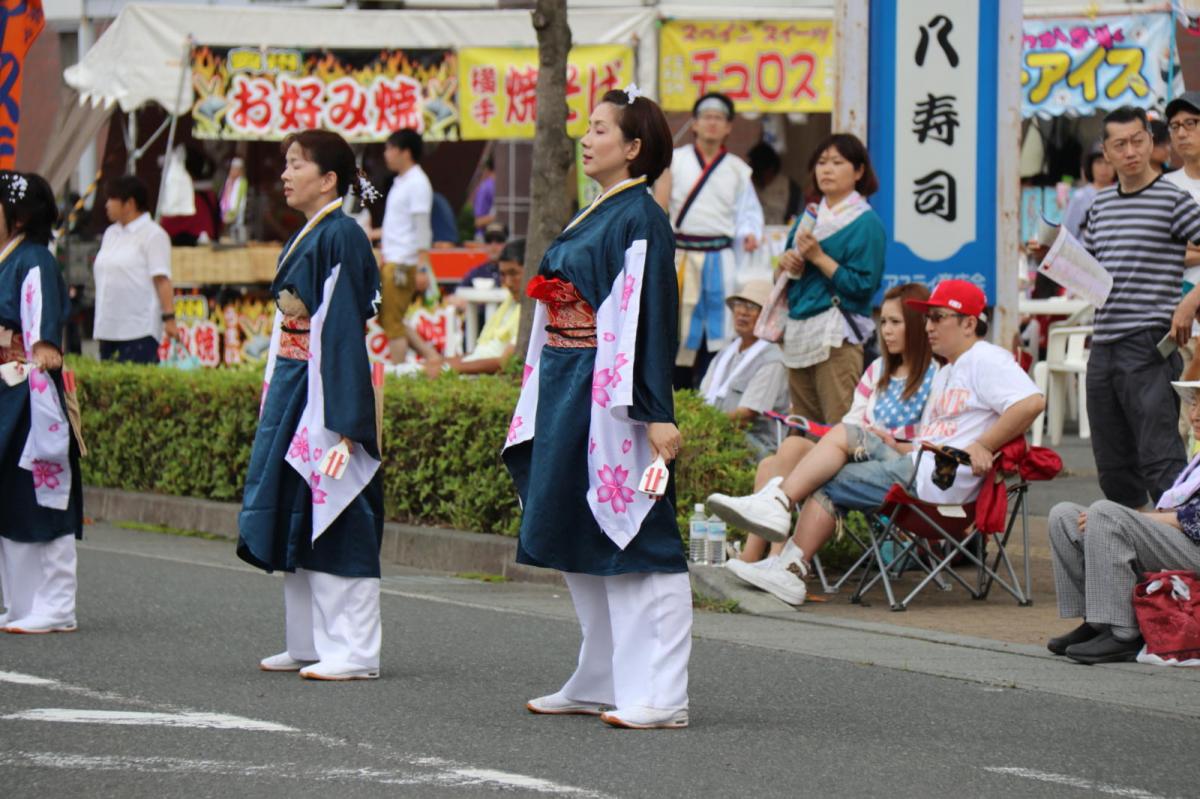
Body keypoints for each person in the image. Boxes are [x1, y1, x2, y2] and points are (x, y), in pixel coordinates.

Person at [503, 87, 690, 729]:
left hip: (612, 393)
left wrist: (654, 408)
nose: (586, 138)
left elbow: (649, 318)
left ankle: (661, 692)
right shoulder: (598, 213)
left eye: (601, 129)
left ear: (634, 148)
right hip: (569, 381)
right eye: (587, 127)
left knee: (641, 535)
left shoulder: (641, 217)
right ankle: (602, 675)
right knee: (576, 523)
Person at [707, 280, 1044, 606]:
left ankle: (779, 516)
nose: (929, 326)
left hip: (937, 488)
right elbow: (933, 443)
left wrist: (985, 444)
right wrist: (896, 445)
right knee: (832, 466)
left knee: (841, 440)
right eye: (927, 318)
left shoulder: (985, 358)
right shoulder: (947, 372)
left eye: (938, 317)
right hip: (916, 468)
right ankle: (788, 563)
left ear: (969, 323)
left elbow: (1031, 402)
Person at [237, 130, 385, 681]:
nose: (284, 174)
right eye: (285, 164)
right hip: (298, 382)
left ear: (328, 180)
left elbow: (344, 328)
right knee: (297, 501)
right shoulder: (311, 233)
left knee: (338, 507)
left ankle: (355, 648)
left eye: (296, 164)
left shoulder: (342, 234)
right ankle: (308, 640)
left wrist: (347, 420)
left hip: (326, 384)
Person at [727, 282, 937, 573]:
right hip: (860, 451)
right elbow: (853, 421)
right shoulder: (877, 371)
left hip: (902, 462)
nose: (886, 330)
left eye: (896, 322)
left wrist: (890, 442)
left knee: (837, 437)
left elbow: (936, 440)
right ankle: (765, 558)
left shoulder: (937, 375)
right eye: (884, 322)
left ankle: (770, 544)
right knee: (785, 452)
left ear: (916, 325)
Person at [1081, 106, 1200, 509]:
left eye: (1137, 140)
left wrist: (1189, 302)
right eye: (1120, 144)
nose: (1130, 151)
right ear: (1107, 153)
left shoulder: (1172, 197)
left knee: (1160, 460)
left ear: (1151, 142)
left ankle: (1184, 560)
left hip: (1149, 344)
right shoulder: (1099, 207)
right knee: (1112, 465)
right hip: (1103, 345)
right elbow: (1093, 270)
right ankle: (1132, 556)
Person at [1046, 379, 1200, 665]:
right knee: (1064, 516)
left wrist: (1136, 519)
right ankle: (1098, 622)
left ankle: (1124, 633)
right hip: (1187, 541)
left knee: (1106, 514)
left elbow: (1196, 521)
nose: (1195, 414)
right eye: (1194, 403)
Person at [0, 172, 83, 634]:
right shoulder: (8, 260)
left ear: (19, 216)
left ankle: (55, 603)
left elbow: (45, 346)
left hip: (29, 393)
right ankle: (20, 601)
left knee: (41, 492)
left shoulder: (34, 261)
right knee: (10, 495)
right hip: (5, 390)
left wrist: (40, 380)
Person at [654, 91, 763, 390]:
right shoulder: (674, 161)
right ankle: (675, 396)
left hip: (720, 257)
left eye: (719, 118)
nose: (712, 124)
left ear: (729, 126)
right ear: (695, 124)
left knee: (717, 332)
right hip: (681, 257)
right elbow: (659, 207)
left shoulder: (738, 170)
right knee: (677, 327)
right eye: (706, 117)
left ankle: (710, 393)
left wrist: (751, 233)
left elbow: (748, 213)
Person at [778, 133, 886, 427]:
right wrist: (785, 265)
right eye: (821, 162)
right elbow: (784, 279)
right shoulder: (808, 216)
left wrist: (819, 258)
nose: (826, 169)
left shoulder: (866, 223)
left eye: (837, 162)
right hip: (799, 330)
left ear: (859, 171)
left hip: (836, 334)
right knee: (803, 426)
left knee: (839, 428)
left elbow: (864, 286)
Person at [92, 175, 181, 364]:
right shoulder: (111, 233)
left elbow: (162, 279)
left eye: (112, 199)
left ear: (129, 204)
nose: (107, 204)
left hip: (138, 330)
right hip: (108, 328)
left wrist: (169, 319)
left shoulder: (153, 235)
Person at [698, 279, 790, 459]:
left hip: (755, 444)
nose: (742, 312)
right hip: (715, 432)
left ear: (768, 317)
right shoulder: (724, 354)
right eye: (739, 305)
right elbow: (701, 399)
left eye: (751, 307)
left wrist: (702, 428)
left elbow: (747, 415)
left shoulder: (772, 359)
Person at [425, 238, 524, 377]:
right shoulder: (510, 301)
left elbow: (504, 362)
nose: (507, 282)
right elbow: (483, 352)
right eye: (502, 274)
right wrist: (443, 363)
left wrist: (448, 368)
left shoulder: (531, 312)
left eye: (513, 273)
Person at [378, 128, 433, 362]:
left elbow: (422, 228)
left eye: (391, 148)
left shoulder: (417, 183)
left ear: (405, 152)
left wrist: (422, 266)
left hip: (403, 263)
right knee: (391, 318)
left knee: (392, 321)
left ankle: (398, 370)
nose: (386, 154)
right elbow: (401, 225)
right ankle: (431, 356)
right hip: (395, 259)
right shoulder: (402, 182)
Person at [1061, 143, 1115, 241]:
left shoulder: (1121, 194)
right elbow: (1068, 234)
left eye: (1108, 162)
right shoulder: (1080, 197)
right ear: (1090, 165)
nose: (1103, 168)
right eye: (1098, 162)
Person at [748, 141, 800, 226]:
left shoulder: (791, 189)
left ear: (770, 169)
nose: (754, 176)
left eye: (758, 171)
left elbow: (797, 218)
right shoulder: (748, 186)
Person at [219, 157, 249, 241]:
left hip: (236, 209)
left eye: (235, 169)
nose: (232, 171)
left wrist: (233, 210)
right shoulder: (228, 181)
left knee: (236, 227)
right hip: (226, 208)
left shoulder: (242, 182)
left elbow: (238, 198)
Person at [473, 155, 496, 237]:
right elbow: (478, 222)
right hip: (484, 239)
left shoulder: (487, 186)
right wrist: (500, 216)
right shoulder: (486, 187)